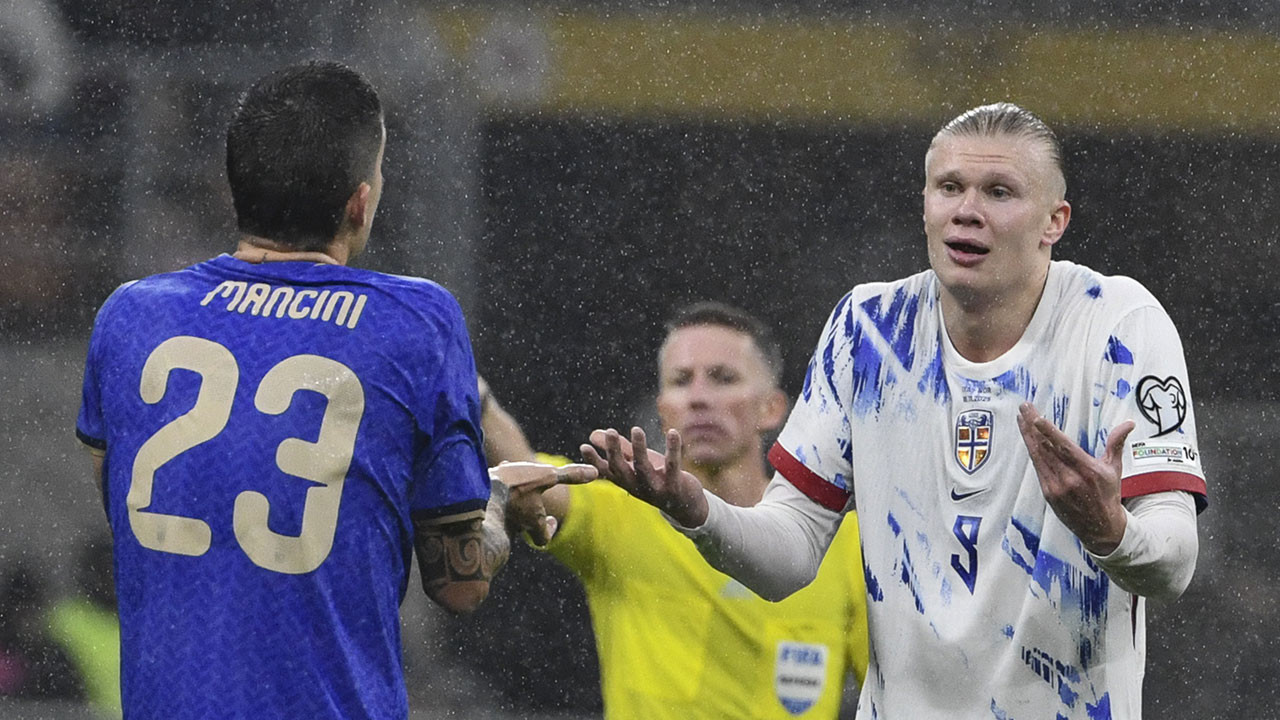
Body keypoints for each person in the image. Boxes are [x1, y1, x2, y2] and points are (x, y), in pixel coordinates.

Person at [584, 103, 1207, 719]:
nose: (968, 210)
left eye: (999, 191)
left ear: (1054, 221)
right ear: (927, 204)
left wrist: (1110, 532)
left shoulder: (1119, 328)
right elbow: (791, 553)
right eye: (950, 187)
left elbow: (1174, 560)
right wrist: (700, 513)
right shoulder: (869, 330)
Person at [75, 60, 589, 720]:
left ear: (238, 190)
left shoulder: (131, 315)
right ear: (360, 201)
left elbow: (122, 505)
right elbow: (460, 584)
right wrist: (494, 501)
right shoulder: (413, 323)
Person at [504, 302, 868, 718]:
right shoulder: (620, 516)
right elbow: (525, 474)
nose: (698, 398)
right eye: (681, 381)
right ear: (662, 409)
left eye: (722, 378)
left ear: (772, 408)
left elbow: (893, 694)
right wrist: (471, 397)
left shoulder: (839, 539)